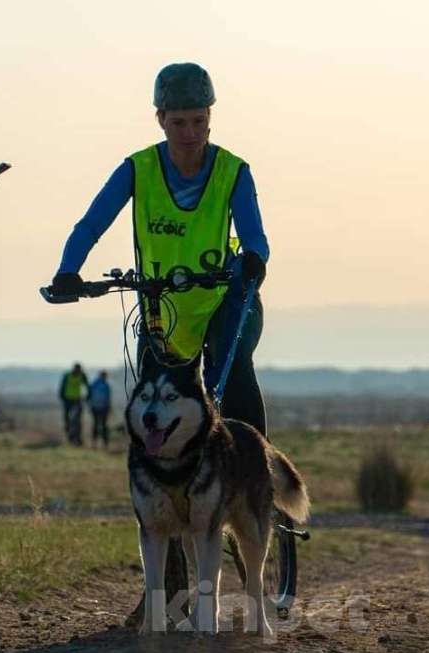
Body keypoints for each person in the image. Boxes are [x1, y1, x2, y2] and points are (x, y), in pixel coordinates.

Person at [50, 61, 269, 436]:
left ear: (210, 118)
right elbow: (90, 225)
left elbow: (256, 238)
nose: (190, 133)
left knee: (233, 378)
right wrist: (68, 271)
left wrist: (253, 260)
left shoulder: (232, 171)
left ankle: (255, 475)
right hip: (161, 305)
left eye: (199, 121)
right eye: (179, 122)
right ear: (161, 119)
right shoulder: (138, 169)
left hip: (222, 299)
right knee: (150, 402)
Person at [59, 362, 90, 445]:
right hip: (67, 400)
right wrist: (62, 397)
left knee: (78, 421)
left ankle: (78, 438)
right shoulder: (67, 376)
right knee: (67, 420)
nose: (78, 371)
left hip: (77, 400)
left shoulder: (82, 376)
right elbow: (62, 387)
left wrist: (88, 397)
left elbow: (87, 387)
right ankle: (69, 435)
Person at [89, 370, 112, 449]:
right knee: (103, 426)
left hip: (96, 407)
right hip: (102, 408)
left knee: (96, 425)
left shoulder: (94, 384)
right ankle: (104, 444)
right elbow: (108, 398)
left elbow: (89, 396)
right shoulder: (106, 385)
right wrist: (109, 407)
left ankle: (95, 444)